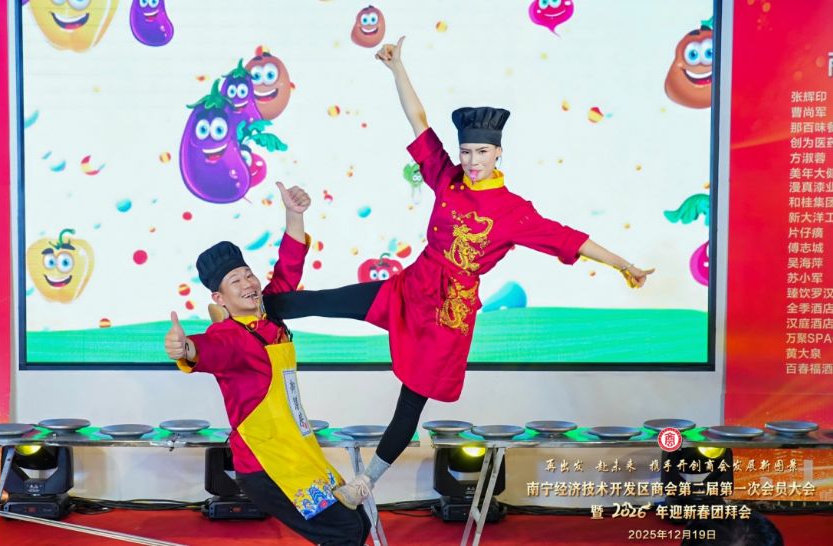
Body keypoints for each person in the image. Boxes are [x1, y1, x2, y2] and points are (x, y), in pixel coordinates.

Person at [264, 37, 656, 510]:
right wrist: (397, 67)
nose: (471, 161)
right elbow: (419, 120)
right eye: (466, 151)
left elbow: (569, 239)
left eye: (481, 152)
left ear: (498, 153)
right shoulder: (447, 179)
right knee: (325, 301)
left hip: (447, 315)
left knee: (409, 403)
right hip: (411, 287)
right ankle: (248, 314)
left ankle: (364, 482)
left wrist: (624, 265)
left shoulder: (513, 211)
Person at [164, 182, 370, 546]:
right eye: (235, 280)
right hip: (266, 465)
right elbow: (207, 350)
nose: (247, 283)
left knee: (357, 522)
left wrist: (294, 214)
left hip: (298, 453)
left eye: (248, 274)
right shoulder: (230, 336)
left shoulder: (270, 314)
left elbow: (288, 268)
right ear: (219, 298)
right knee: (345, 530)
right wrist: (184, 348)